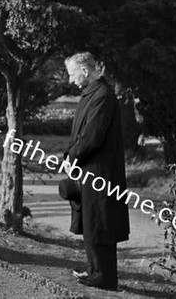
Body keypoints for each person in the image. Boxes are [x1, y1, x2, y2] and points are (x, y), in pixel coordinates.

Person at [62, 52, 130, 291]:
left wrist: (72, 157)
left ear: (84, 70)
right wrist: (70, 157)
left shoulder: (102, 95)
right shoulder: (92, 94)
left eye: (72, 74)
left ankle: (104, 277)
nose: (70, 80)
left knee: (100, 222)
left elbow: (92, 136)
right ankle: (94, 272)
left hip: (100, 171)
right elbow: (81, 134)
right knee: (91, 222)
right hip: (89, 169)